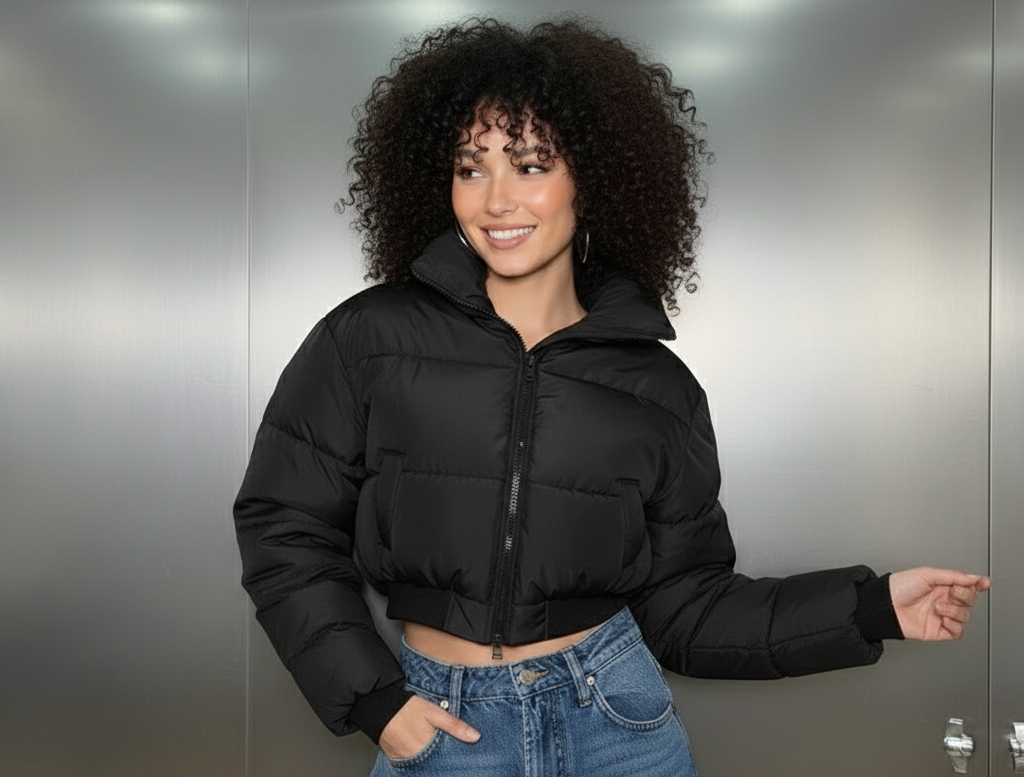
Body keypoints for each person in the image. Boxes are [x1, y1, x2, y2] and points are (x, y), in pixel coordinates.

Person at [233, 18, 991, 776]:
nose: (496, 199)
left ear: (590, 179)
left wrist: (871, 608)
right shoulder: (369, 337)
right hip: (441, 725)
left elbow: (687, 608)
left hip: (616, 724)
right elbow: (285, 524)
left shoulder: (659, 390)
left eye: (531, 165)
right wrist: (376, 701)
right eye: (470, 168)